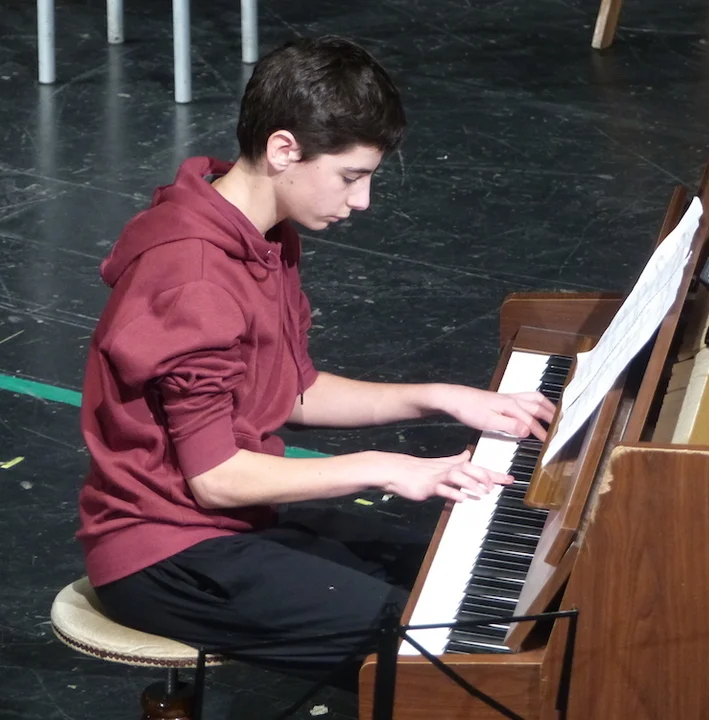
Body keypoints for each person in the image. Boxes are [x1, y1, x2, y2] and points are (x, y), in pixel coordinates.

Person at [76, 36, 555, 679]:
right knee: (439, 644)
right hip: (169, 554)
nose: (362, 201)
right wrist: (383, 468)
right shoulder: (195, 279)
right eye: (351, 177)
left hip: (231, 523)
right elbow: (216, 478)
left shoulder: (264, 234)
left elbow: (289, 390)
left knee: (445, 568)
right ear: (284, 150)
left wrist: (438, 397)